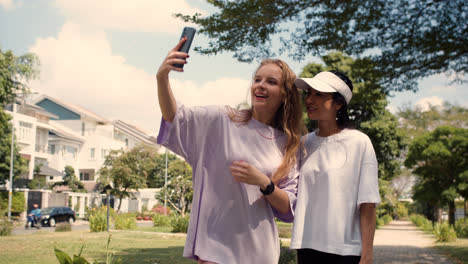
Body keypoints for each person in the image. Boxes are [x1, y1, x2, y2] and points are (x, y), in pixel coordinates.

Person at [156, 37, 304, 263]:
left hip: (260, 251)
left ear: (285, 95)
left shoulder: (288, 144)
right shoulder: (221, 120)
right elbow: (174, 118)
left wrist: (263, 182)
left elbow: (287, 207)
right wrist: (162, 77)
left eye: (271, 82)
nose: (260, 85)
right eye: (257, 79)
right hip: (215, 246)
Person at [290, 71, 381, 264]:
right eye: (309, 93)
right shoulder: (303, 143)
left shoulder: (359, 142)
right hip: (306, 246)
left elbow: (368, 203)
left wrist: (367, 255)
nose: (309, 100)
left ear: (339, 103)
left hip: (345, 250)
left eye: (319, 95)